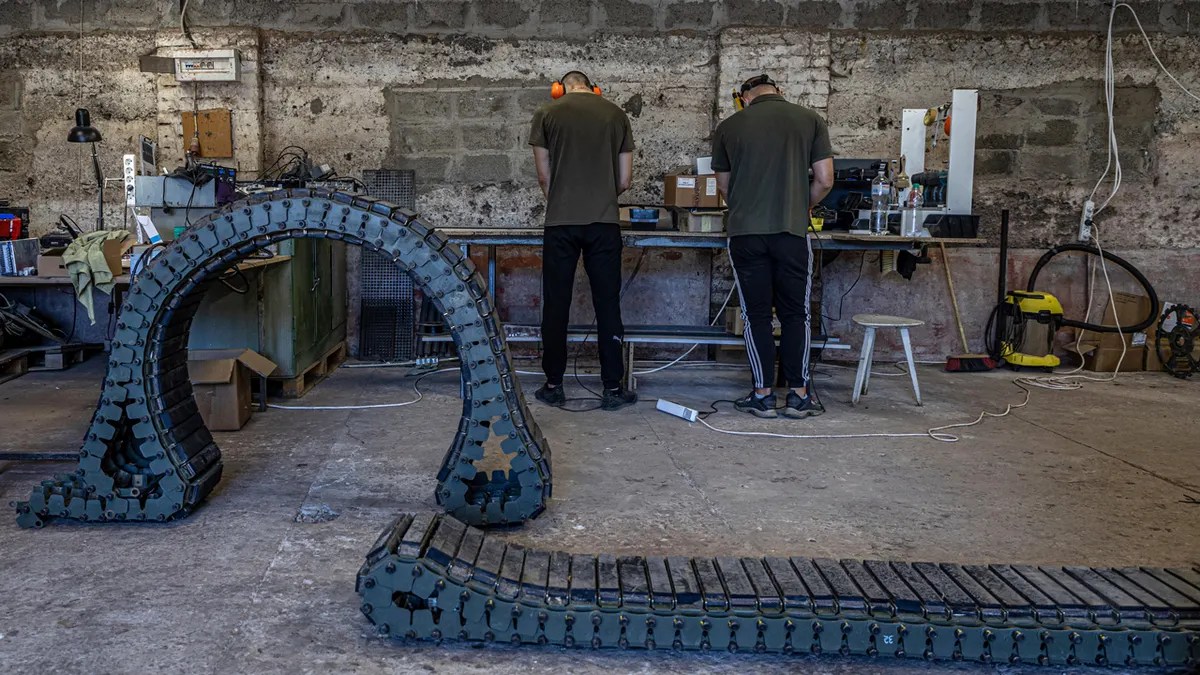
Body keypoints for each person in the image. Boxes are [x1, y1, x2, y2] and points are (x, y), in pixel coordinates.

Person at [711, 73, 835, 419]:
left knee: (756, 316)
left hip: (746, 235)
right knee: (797, 313)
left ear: (745, 96)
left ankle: (763, 395)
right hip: (791, 233)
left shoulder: (729, 126)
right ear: (780, 92)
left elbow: (724, 186)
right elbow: (825, 179)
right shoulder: (810, 120)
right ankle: (798, 395)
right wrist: (802, 207)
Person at [528, 70, 638, 411]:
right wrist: (601, 196)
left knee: (556, 303)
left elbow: (544, 175)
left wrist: (561, 199)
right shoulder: (616, 115)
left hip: (560, 223)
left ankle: (553, 384)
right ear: (595, 89)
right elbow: (625, 180)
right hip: (604, 223)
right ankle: (612, 389)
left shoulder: (547, 114)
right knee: (607, 304)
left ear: (559, 89)